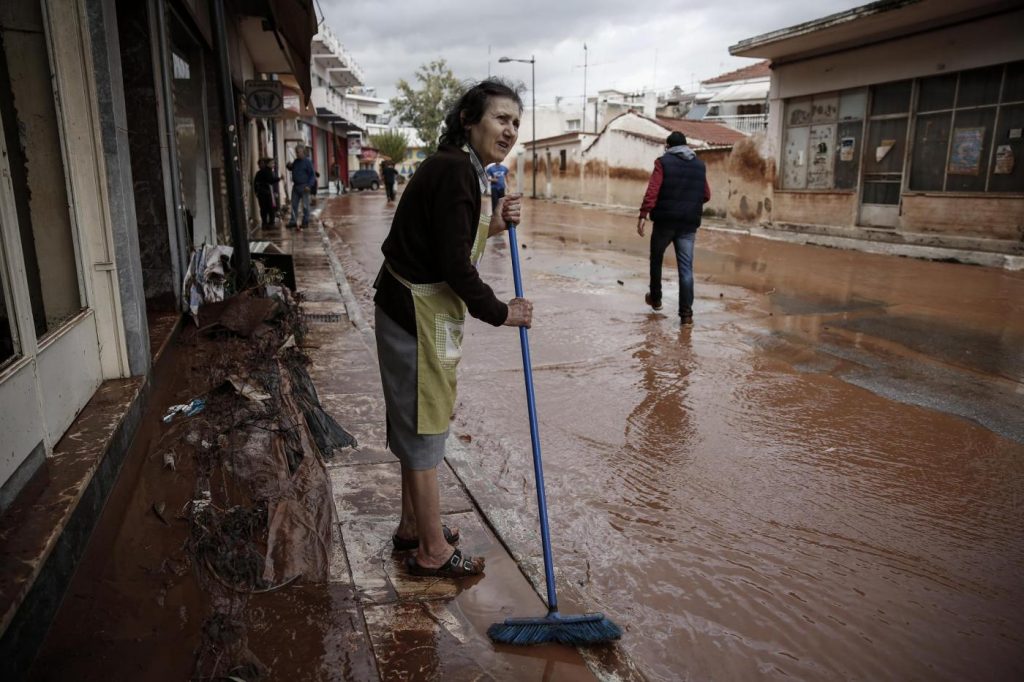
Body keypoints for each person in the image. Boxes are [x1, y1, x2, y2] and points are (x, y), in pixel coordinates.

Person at [373, 80, 530, 578]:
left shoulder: (458, 168)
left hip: (410, 311)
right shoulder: (458, 172)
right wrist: (503, 312)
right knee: (424, 427)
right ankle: (433, 551)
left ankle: (412, 526)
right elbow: (456, 267)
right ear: (469, 118)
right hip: (411, 316)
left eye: (516, 124)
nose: (509, 130)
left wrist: (495, 224)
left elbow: (449, 235)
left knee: (416, 420)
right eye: (501, 118)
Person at [637, 131, 711, 325]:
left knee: (656, 259)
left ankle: (656, 299)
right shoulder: (699, 165)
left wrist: (644, 214)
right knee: (686, 270)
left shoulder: (662, 162)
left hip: (665, 221)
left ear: (669, 146)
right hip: (689, 224)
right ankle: (686, 315)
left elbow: (653, 190)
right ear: (686, 146)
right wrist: (689, 204)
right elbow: (706, 195)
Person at [287, 144, 316, 229]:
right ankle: (293, 221)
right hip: (296, 186)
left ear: (303, 152)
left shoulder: (308, 162)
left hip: (304, 187)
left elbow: (312, 175)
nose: (297, 154)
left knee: (305, 206)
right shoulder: (296, 161)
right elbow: (292, 168)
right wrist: (289, 166)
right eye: (296, 152)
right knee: (294, 205)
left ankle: (305, 222)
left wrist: (309, 185)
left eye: (299, 152)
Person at [253, 158, 280, 227]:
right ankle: (270, 222)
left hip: (263, 192)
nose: (261, 165)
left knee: (264, 208)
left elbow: (255, 183)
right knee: (269, 208)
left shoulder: (261, 172)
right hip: (265, 193)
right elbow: (270, 180)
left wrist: (256, 192)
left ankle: (265, 222)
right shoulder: (266, 171)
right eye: (272, 163)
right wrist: (279, 178)